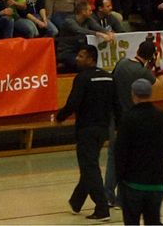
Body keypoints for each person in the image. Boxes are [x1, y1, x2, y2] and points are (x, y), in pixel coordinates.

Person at [56, 45, 118, 222]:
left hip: (86, 130)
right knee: (89, 165)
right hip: (103, 129)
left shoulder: (82, 78)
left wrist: (60, 117)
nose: (77, 58)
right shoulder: (108, 77)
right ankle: (76, 202)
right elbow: (117, 103)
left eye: (81, 56)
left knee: (89, 167)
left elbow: (73, 103)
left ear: (91, 59)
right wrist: (119, 125)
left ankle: (102, 208)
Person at [114, 78, 163, 226]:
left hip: (133, 183)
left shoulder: (128, 118)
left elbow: (120, 152)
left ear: (133, 94)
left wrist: (120, 179)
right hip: (157, 183)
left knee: (131, 222)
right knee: (153, 221)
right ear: (150, 94)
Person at [106, 38, 158, 209]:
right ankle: (122, 199)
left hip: (114, 117)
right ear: (150, 57)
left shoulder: (121, 63)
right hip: (132, 121)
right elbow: (157, 83)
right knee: (129, 161)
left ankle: (107, 195)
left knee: (113, 158)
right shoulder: (143, 73)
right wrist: (156, 65)